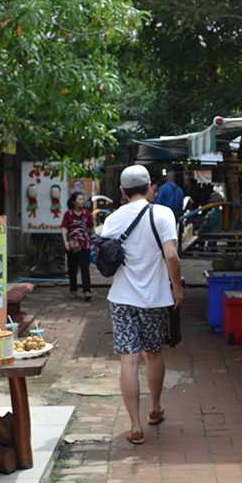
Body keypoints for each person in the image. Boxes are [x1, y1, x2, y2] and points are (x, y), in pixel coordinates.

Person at [101, 165, 183, 445]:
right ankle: (154, 408)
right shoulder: (162, 213)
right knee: (153, 352)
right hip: (155, 299)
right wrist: (177, 286)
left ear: (122, 191)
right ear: (150, 186)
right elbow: (171, 256)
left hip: (122, 297)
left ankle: (135, 427)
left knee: (129, 360)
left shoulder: (112, 219)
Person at [60, 191, 94, 301]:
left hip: (85, 245)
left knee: (85, 267)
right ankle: (73, 288)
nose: (82, 201)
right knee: (72, 267)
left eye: (83, 199)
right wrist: (65, 242)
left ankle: (87, 290)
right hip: (72, 245)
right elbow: (64, 228)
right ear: (74, 202)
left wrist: (95, 242)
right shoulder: (68, 214)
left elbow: (91, 229)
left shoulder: (87, 214)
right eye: (79, 199)